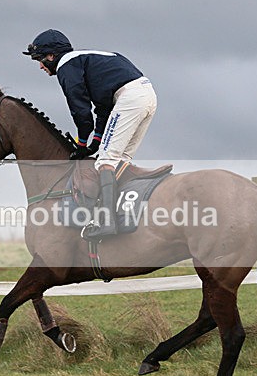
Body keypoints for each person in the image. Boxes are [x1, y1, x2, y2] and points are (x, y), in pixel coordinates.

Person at [23, 29, 157, 240]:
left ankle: (106, 221)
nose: (40, 66)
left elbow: (80, 109)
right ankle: (123, 215)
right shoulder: (86, 60)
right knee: (120, 160)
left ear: (51, 56)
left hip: (129, 98)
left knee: (105, 160)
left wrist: (81, 142)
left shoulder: (67, 66)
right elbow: (103, 108)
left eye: (40, 60)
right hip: (146, 96)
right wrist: (93, 142)